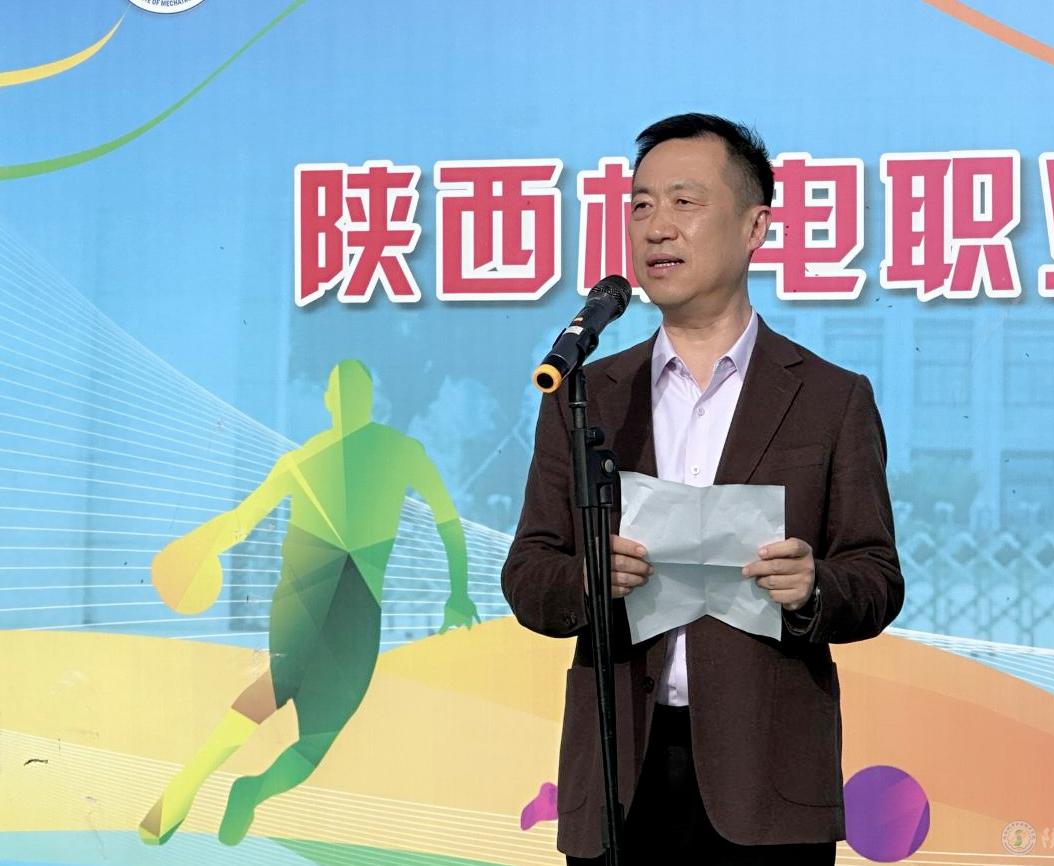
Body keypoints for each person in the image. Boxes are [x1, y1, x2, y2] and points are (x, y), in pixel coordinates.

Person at [501, 113, 904, 864]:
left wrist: (813, 586)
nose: (657, 227)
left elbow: (877, 577)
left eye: (685, 202)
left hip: (767, 785)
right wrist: (590, 578)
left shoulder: (830, 398)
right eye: (641, 205)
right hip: (619, 775)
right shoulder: (587, 394)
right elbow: (528, 573)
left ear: (755, 227)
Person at [139, 359, 479, 847]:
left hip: (336, 603)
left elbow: (446, 519)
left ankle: (218, 787)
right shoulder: (359, 455)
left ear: (337, 400)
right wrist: (458, 592)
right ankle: (205, 788)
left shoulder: (330, 458)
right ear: (342, 401)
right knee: (303, 723)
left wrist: (459, 591)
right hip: (330, 600)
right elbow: (447, 519)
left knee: (294, 713)